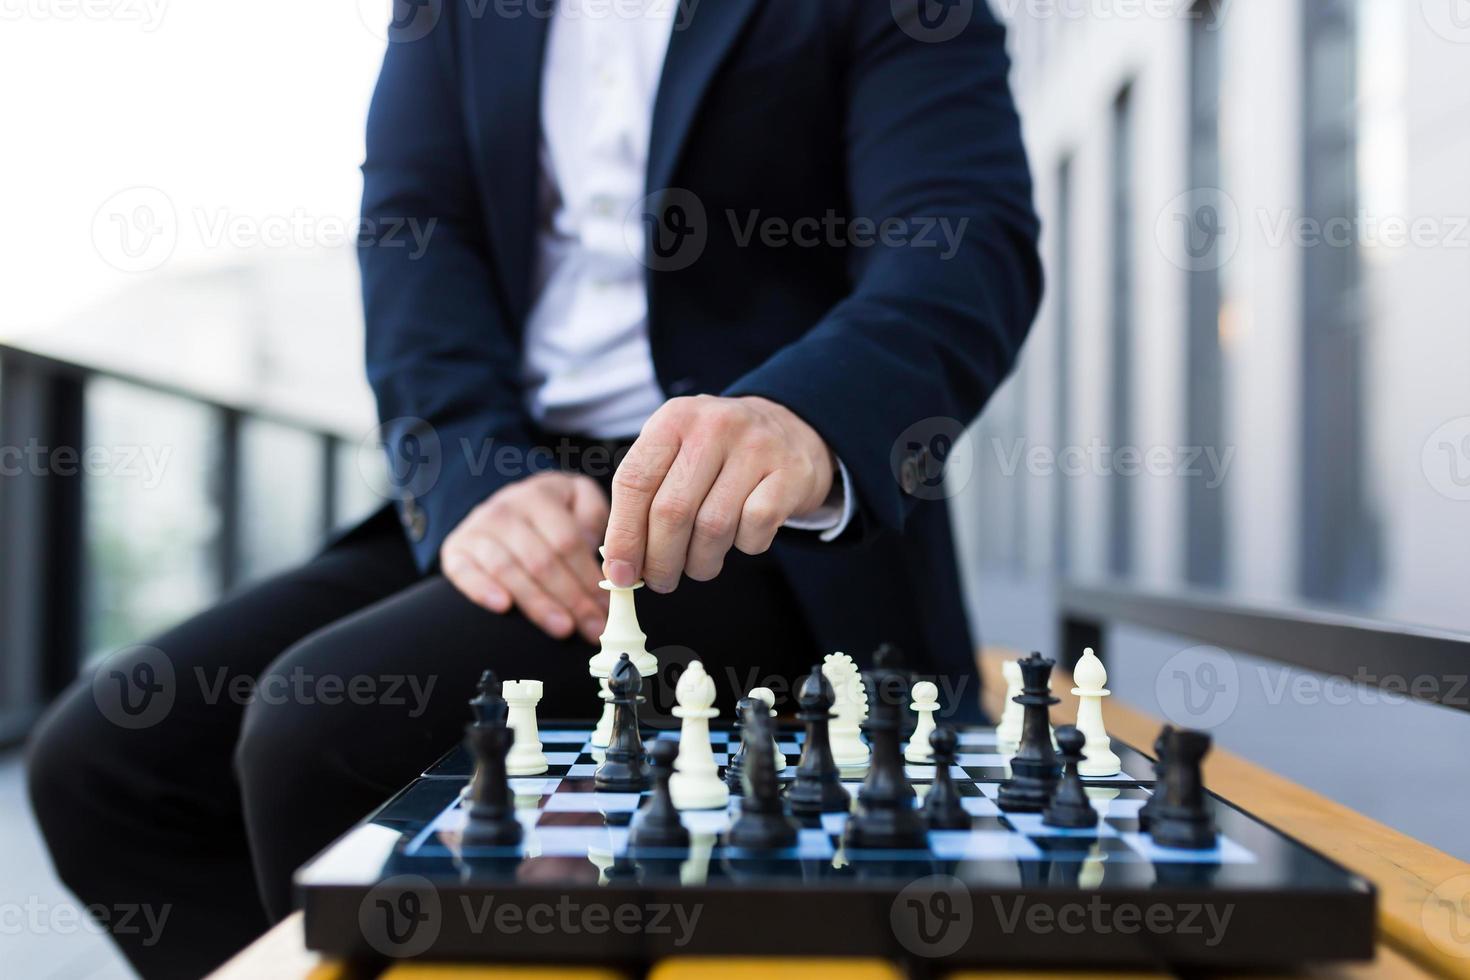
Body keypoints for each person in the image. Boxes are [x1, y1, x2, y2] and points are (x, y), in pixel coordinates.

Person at [27, 0, 1041, 975]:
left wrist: (805, 417)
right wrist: (475, 476)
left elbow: (963, 238)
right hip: (516, 473)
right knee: (111, 761)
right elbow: (414, 229)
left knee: (321, 731)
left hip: (758, 515)